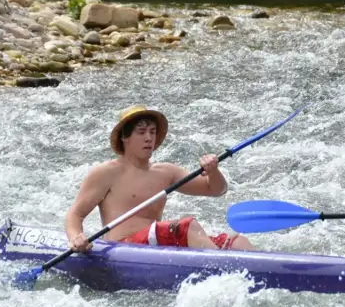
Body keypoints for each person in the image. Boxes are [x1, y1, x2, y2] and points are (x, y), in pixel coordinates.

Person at [64, 105, 255, 252]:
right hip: (124, 247)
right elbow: (75, 215)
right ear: (125, 137)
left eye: (152, 132)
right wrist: (76, 237)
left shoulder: (166, 172)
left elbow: (216, 190)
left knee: (236, 241)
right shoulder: (106, 173)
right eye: (141, 132)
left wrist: (213, 171)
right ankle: (225, 271)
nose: (148, 138)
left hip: (156, 245)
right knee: (186, 226)